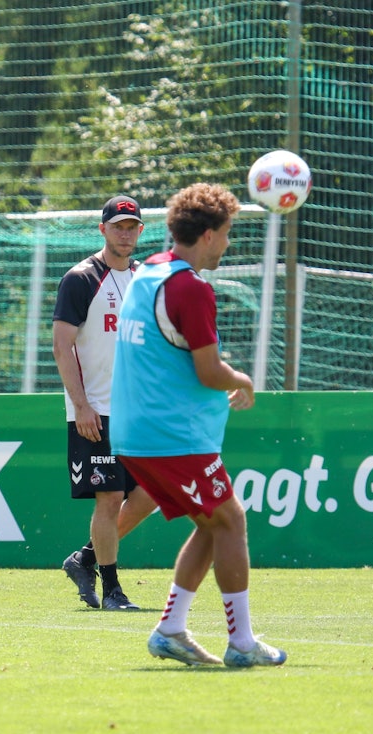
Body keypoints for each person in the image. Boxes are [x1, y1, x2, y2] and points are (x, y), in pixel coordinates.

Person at [110, 182, 287, 668]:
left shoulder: (149, 271)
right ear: (207, 235)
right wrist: (242, 378)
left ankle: (170, 630)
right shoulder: (190, 287)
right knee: (230, 520)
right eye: (227, 234)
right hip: (173, 436)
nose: (228, 245)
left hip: (139, 432)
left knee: (211, 525)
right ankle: (243, 643)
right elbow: (209, 372)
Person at [53, 196, 157, 611]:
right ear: (103, 229)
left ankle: (86, 559)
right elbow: (62, 347)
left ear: (140, 231)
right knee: (110, 497)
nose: (125, 233)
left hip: (138, 413)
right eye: (118, 226)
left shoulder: (145, 279)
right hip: (95, 408)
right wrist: (81, 406)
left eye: (132, 226)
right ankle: (112, 589)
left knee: (151, 495)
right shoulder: (81, 278)